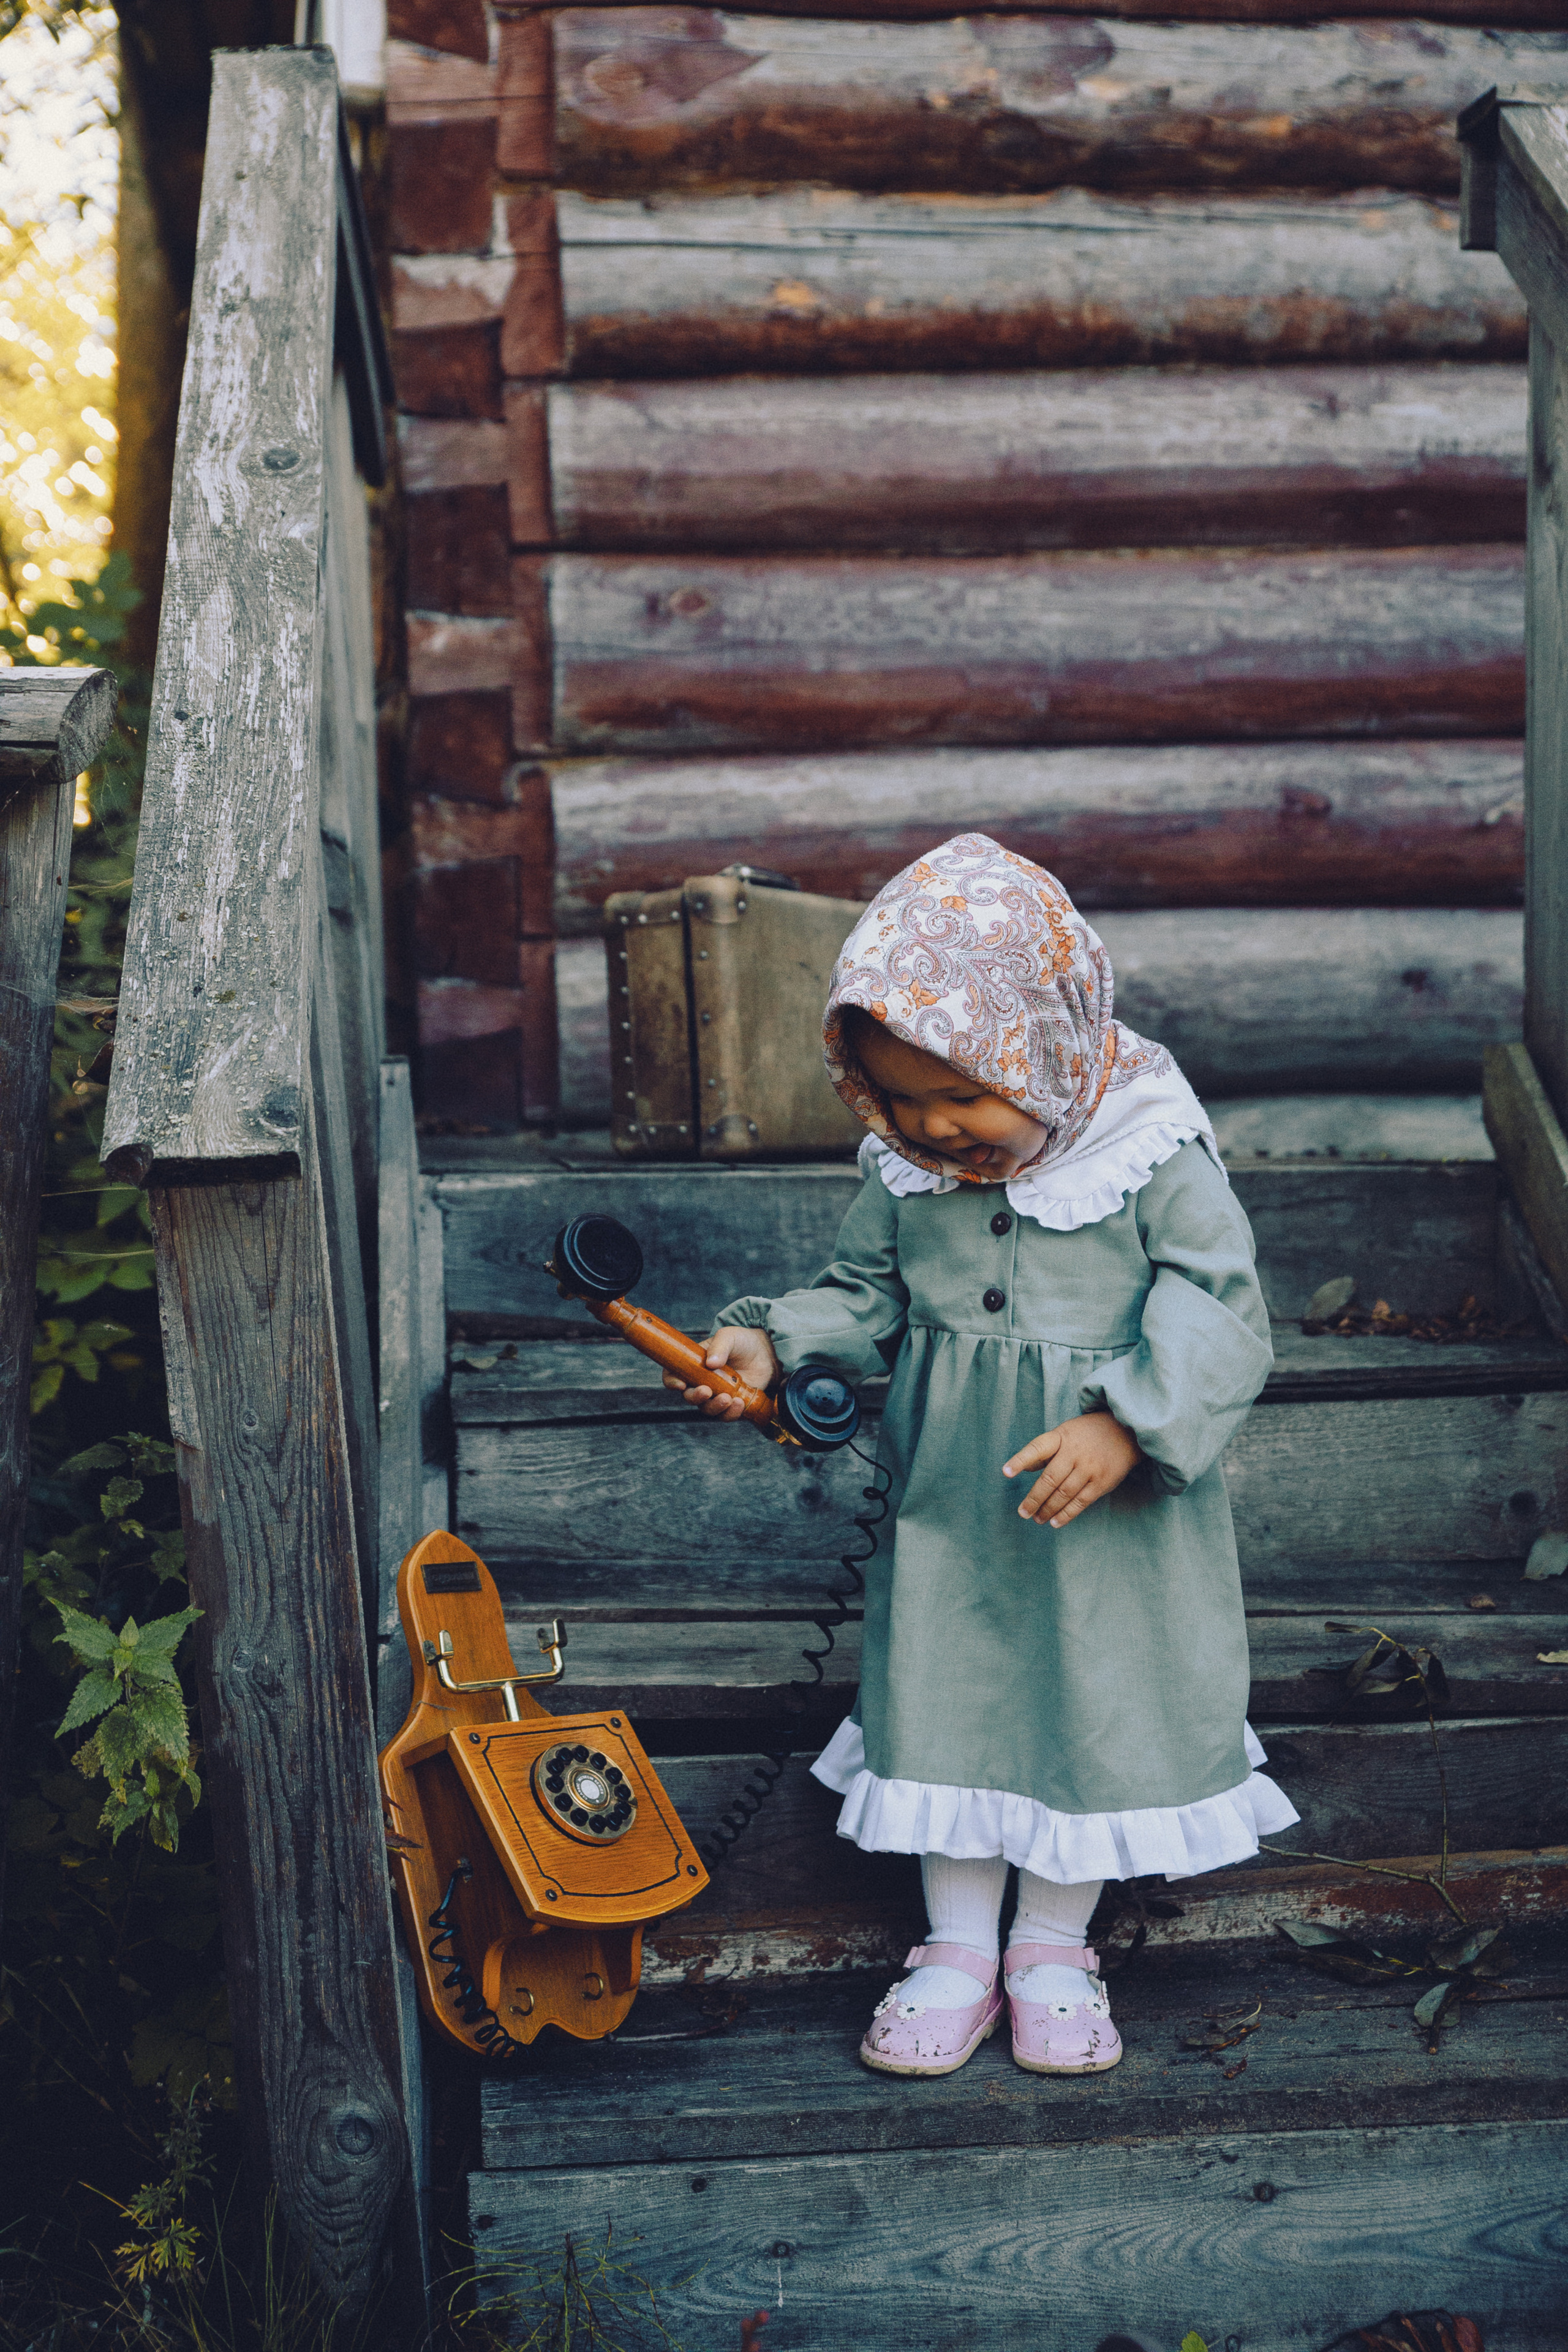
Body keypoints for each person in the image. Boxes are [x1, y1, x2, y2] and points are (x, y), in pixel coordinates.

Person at [665, 833, 1298, 2078]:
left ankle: (1052, 1947)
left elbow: (1221, 1306)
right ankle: (955, 1943)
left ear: (1042, 1049)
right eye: (897, 1101)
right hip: (954, 1494)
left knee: (1089, 1700)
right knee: (945, 1691)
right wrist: (771, 1341)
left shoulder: (1146, 1149)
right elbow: (865, 1295)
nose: (931, 1128)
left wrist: (1130, 1421)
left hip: (1104, 1509)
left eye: (960, 1096)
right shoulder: (907, 1173)